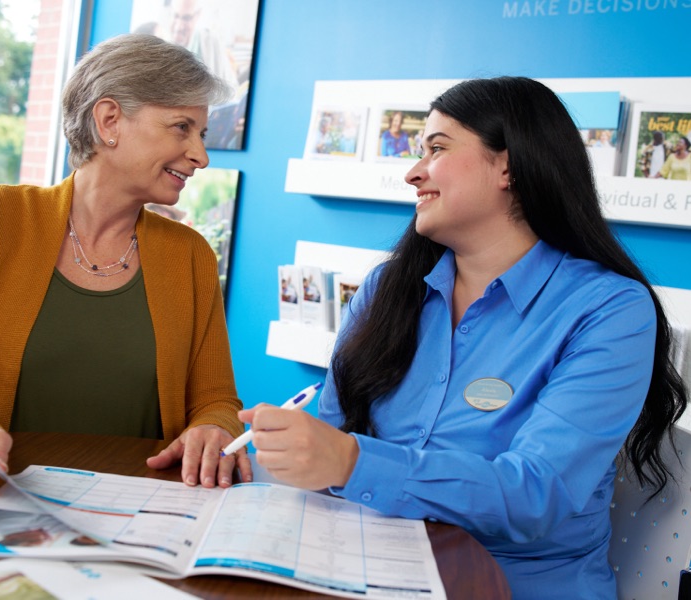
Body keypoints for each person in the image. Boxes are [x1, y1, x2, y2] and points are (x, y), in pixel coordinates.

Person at [240, 77, 688, 599]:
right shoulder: (387, 288)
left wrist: (350, 461)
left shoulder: (610, 310)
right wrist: (255, 455)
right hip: (367, 572)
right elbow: (332, 439)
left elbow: (534, 497)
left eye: (436, 148)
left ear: (508, 166)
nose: (412, 172)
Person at [0, 33, 252, 491]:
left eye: (201, 134)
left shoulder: (191, 256)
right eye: (181, 127)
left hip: (143, 513)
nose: (200, 156)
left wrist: (214, 426)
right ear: (109, 120)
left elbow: (215, 398)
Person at [168, 0, 238, 89]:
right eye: (175, 16)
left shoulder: (211, 42)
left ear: (198, 15)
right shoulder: (161, 45)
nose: (179, 26)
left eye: (187, 18)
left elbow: (231, 88)